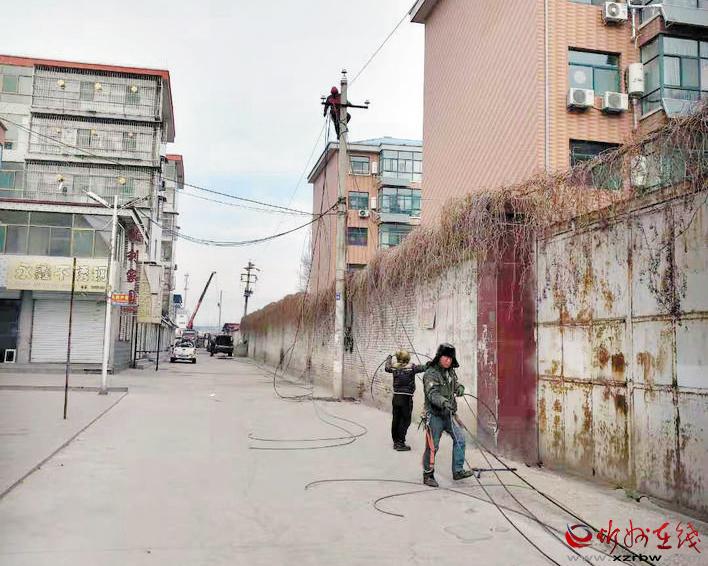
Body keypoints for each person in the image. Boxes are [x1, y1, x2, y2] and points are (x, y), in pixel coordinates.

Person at [421, 343, 474, 487]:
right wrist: (443, 402)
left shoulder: (450, 372)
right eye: (445, 357)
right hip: (435, 416)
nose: (448, 360)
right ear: (439, 357)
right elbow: (432, 394)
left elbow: (454, 384)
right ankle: (428, 474)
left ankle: (458, 470)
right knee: (433, 446)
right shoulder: (430, 374)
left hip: (449, 415)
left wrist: (460, 388)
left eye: (450, 358)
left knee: (460, 439)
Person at [385, 350, 427, 451]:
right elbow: (425, 367)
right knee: (405, 420)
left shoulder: (394, 367)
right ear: (407, 358)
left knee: (396, 419)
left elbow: (387, 367)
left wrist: (389, 357)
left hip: (396, 397)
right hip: (406, 399)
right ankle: (400, 443)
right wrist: (432, 363)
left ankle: (396, 442)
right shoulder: (412, 368)